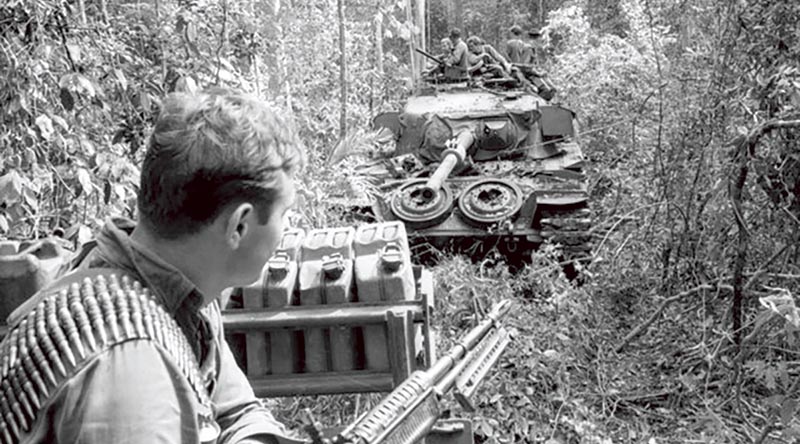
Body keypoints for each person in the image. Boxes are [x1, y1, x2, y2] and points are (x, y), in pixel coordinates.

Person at [0, 89, 306, 443]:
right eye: (285, 215)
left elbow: (235, 412)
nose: (287, 230)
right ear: (239, 225)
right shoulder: (132, 372)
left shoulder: (181, 293)